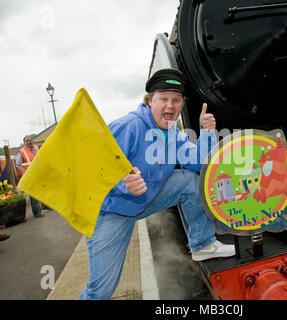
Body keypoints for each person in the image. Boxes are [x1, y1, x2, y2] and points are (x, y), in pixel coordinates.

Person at [79, 68, 235, 300]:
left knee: (190, 181)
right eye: (163, 98)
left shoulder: (173, 133)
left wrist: (207, 133)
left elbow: (200, 165)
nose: (170, 106)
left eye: (176, 100)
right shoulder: (128, 126)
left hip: (144, 200)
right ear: (150, 100)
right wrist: (123, 183)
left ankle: (202, 244)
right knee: (101, 290)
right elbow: (91, 168)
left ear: (182, 104)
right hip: (110, 211)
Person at [15, 135, 44, 218]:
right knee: (33, 194)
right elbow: (17, 165)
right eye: (27, 141)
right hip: (30, 176)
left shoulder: (35, 148)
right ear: (24, 143)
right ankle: (37, 213)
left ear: (32, 141)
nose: (28, 142)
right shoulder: (22, 152)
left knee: (43, 190)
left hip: (38, 174)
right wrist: (26, 172)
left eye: (30, 140)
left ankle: (45, 206)